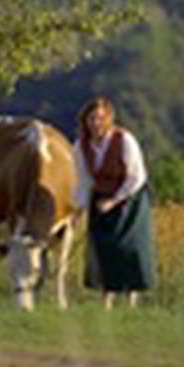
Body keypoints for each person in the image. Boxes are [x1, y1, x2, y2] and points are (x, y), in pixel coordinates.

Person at [72, 96, 155, 310]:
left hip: (131, 197)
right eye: (92, 118)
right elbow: (83, 181)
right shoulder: (80, 147)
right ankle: (106, 301)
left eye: (100, 118)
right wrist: (77, 210)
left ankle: (131, 301)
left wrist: (114, 201)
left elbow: (136, 177)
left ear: (108, 119)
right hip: (100, 196)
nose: (96, 123)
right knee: (103, 249)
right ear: (85, 121)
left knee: (129, 247)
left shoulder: (124, 140)